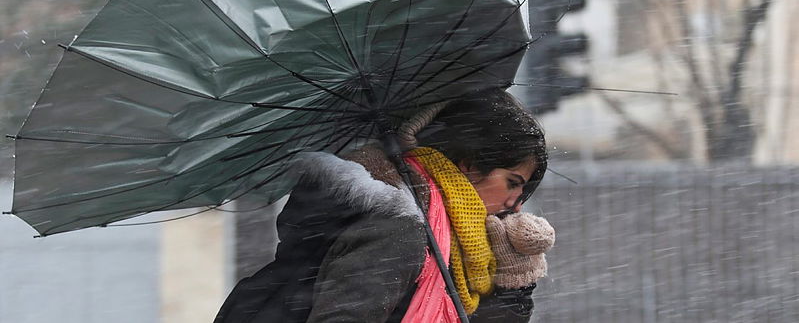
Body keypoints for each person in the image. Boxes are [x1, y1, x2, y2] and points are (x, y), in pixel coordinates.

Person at [214, 87, 550, 322]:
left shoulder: (456, 242)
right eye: (513, 183)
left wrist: (513, 282)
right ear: (471, 164)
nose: (515, 205)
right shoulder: (401, 227)